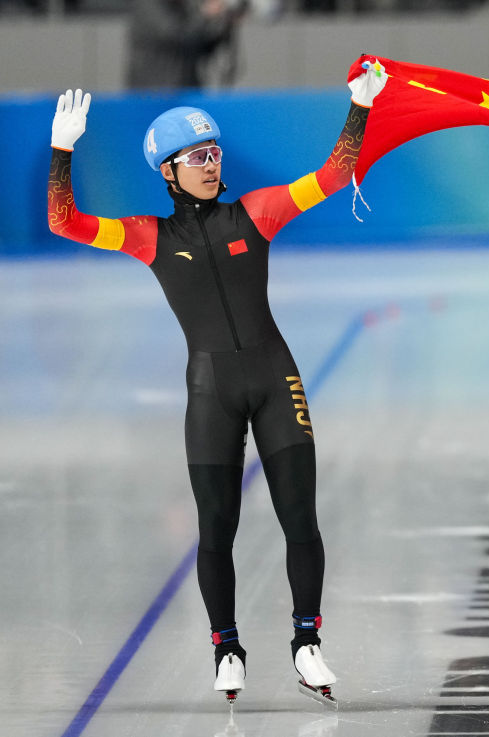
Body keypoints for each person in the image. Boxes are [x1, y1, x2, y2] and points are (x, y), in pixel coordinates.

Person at [47, 59, 387, 704]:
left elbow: (334, 175)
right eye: (195, 156)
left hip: (274, 377)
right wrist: (62, 153)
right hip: (211, 392)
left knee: (300, 518)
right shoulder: (147, 237)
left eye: (214, 152)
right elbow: (65, 222)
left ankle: (307, 640)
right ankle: (226, 647)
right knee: (215, 529)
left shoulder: (256, 213)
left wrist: (360, 109)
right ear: (167, 171)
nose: (210, 164)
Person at [127, 0, 247, 90]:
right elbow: (175, 34)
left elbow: (199, 46)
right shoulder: (148, 4)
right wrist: (205, 14)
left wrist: (225, 25)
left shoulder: (184, 6)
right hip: (154, 91)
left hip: (187, 88)